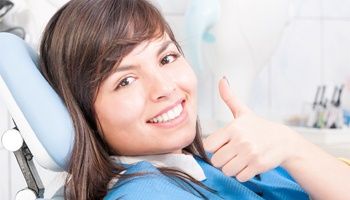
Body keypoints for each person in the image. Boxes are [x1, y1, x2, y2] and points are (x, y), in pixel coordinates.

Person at [38, 0, 350, 199]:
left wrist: (292, 147)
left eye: (167, 58)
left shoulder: (209, 162)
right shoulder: (145, 194)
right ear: (82, 114)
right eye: (126, 80)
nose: (165, 87)